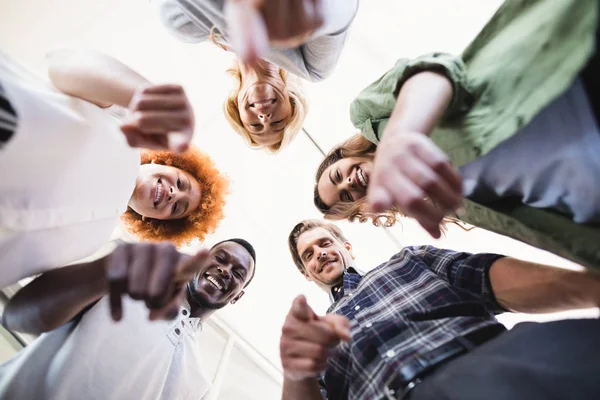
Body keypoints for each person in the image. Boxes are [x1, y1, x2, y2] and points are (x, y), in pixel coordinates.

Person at [313, 0, 600, 269]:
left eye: (338, 176)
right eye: (346, 195)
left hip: (571, 79)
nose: (349, 182)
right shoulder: (438, 204)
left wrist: (402, 133)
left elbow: (436, 70)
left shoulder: (370, 117)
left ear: (347, 155)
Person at [281, 219, 600, 400]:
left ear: (346, 247)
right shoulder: (316, 341)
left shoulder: (410, 260)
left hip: (494, 365)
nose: (319, 254)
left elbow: (484, 277)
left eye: (324, 243)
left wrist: (591, 288)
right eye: (308, 255)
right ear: (307, 273)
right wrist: (296, 371)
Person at [0, 49, 228, 288]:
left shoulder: (94, 240)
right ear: (165, 161)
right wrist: (150, 96)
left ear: (154, 221)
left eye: (177, 208)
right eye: (181, 183)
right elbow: (62, 63)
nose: (173, 194)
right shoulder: (123, 122)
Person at [0, 238, 256, 399]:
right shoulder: (123, 287)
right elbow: (17, 316)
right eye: (220, 258)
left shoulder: (200, 387)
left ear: (238, 296)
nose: (225, 270)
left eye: (238, 273)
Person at [154, 0, 359, 151]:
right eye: (277, 122)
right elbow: (343, 8)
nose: (264, 118)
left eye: (255, 125)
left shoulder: (191, 29)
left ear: (237, 109)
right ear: (292, 103)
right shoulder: (310, 64)